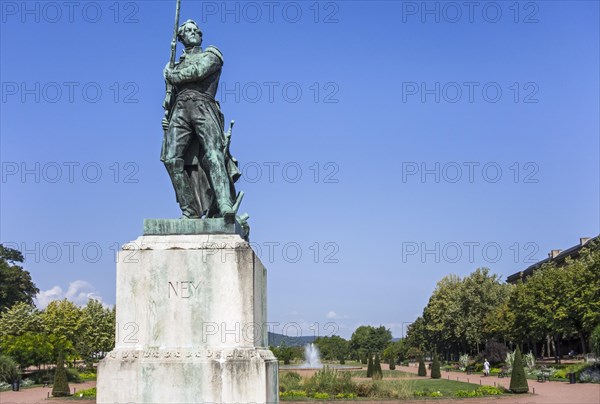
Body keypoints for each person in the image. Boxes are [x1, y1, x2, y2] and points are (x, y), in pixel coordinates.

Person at [161, 19, 240, 219]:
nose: (193, 32)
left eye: (196, 30)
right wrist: (168, 114)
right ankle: (190, 211)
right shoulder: (174, 65)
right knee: (170, 159)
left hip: (203, 106)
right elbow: (169, 99)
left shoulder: (211, 54)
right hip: (179, 110)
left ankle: (224, 205)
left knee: (214, 155)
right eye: (188, 31)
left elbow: (198, 71)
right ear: (181, 38)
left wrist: (172, 75)